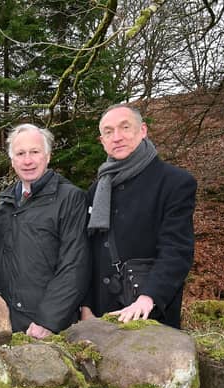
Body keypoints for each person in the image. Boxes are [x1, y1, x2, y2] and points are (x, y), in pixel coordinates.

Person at [81, 104, 196, 328]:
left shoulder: (174, 182)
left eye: (125, 127)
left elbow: (177, 250)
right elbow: (89, 251)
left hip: (149, 314)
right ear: (102, 140)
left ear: (142, 130)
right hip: (100, 315)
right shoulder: (98, 188)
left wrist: (148, 298)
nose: (117, 137)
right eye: (108, 131)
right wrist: (86, 307)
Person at [0, 124, 90, 338]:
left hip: (45, 326)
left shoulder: (70, 198)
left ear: (48, 156)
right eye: (20, 153)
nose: (28, 160)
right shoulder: (4, 204)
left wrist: (48, 320)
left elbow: (74, 265)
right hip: (5, 323)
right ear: (12, 160)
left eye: (34, 152)